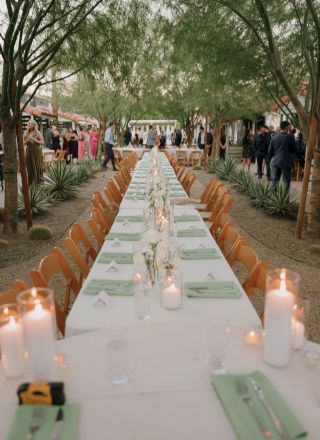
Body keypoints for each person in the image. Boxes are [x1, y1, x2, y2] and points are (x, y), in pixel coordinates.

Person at [268, 120, 297, 191]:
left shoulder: (274, 137)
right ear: (287, 127)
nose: (290, 128)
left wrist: (275, 156)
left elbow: (269, 151)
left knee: (275, 179)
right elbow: (294, 149)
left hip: (276, 160)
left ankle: (274, 198)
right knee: (286, 181)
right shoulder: (290, 137)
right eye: (289, 126)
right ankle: (285, 199)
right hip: (286, 161)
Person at [24, 119, 44, 185]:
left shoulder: (38, 132)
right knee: (29, 167)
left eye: (31, 123)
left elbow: (42, 142)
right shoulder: (26, 133)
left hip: (36, 152)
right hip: (29, 152)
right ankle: (30, 183)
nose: (30, 125)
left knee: (37, 167)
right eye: (29, 123)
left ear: (34, 125)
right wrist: (26, 141)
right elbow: (23, 143)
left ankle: (38, 182)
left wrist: (34, 139)